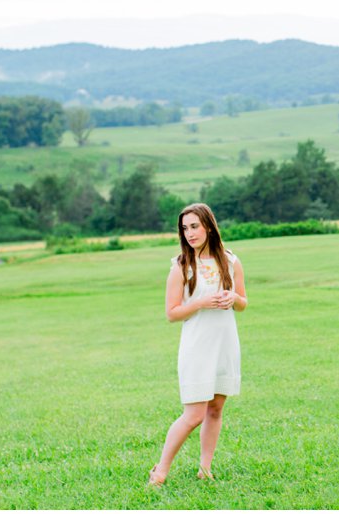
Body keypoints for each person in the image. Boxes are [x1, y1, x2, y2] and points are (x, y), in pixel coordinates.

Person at [148, 203, 247, 487]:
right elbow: (172, 313)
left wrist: (232, 299)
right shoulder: (181, 266)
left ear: (209, 226)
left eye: (194, 226)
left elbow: (243, 302)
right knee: (194, 414)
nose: (189, 233)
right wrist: (201, 302)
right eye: (184, 228)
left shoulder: (231, 261)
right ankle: (161, 470)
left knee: (216, 408)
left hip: (225, 344)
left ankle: (205, 468)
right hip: (197, 347)